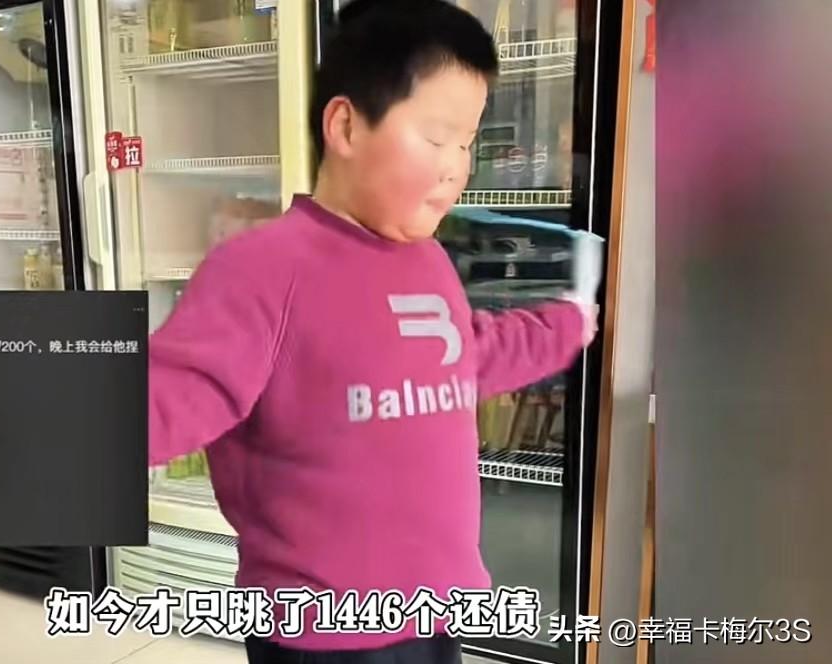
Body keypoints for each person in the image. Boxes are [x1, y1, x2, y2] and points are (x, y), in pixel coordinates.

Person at [147, 1, 597, 662]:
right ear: (346, 127)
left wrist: (567, 325)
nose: (456, 166)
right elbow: (166, 396)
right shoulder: (262, 270)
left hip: (430, 615)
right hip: (322, 634)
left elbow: (464, 357)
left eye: (467, 143)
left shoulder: (428, 261)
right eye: (436, 138)